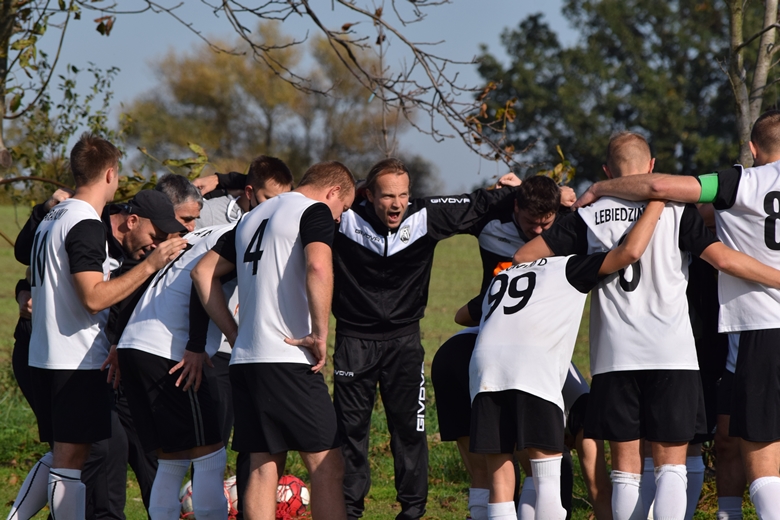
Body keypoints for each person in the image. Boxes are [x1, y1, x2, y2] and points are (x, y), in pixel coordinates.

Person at [515, 130, 780, 520]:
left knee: (626, 469)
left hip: (613, 355)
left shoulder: (588, 217)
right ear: (652, 167)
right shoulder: (675, 209)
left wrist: (583, 273)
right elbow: (724, 260)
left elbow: (525, 256)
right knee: (671, 464)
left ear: (608, 170)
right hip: (673, 351)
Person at [15, 133, 186, 520]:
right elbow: (93, 297)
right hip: (75, 361)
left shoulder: (52, 217)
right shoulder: (85, 222)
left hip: (46, 355)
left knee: (65, 455)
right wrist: (150, 265)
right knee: (71, 462)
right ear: (110, 174)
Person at [471, 199, 666, 520]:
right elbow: (629, 253)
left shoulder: (504, 274)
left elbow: (463, 314)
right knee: (547, 476)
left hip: (484, 372)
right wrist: (657, 203)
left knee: (500, 476)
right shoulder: (568, 266)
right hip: (532, 371)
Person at [191, 161, 355, 520]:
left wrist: (234, 334)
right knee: (328, 465)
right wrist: (320, 333)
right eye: (343, 209)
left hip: (246, 361)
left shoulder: (252, 216)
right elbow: (318, 267)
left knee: (263, 468)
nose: (340, 219)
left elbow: (202, 273)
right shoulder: (313, 211)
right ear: (334, 193)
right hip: (289, 358)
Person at [117, 222, 239, 520]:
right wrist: (196, 345)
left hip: (134, 344)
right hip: (169, 352)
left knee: (172, 459)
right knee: (210, 454)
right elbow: (202, 276)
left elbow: (151, 279)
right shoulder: (243, 230)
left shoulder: (200, 233)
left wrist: (118, 338)